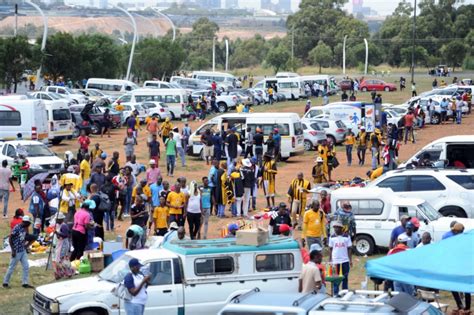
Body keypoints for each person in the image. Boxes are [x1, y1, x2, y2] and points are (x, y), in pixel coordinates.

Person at [3, 215, 34, 288]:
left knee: (26, 266)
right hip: (16, 251)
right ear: (25, 222)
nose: (29, 224)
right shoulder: (17, 228)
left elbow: (25, 237)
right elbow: (10, 239)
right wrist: (13, 250)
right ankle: (5, 283)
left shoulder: (25, 228)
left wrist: (26, 245)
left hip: (22, 250)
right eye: (29, 223)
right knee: (12, 267)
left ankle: (25, 283)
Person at [328, 221, 352, 295]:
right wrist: (330, 260)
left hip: (345, 261)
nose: (335, 229)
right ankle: (336, 294)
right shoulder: (332, 237)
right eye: (334, 227)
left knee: (345, 278)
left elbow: (349, 248)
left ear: (341, 228)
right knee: (335, 278)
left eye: (337, 227)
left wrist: (350, 260)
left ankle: (344, 293)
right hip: (335, 261)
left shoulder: (347, 237)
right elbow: (330, 249)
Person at [52, 212, 74, 280]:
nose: (56, 220)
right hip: (59, 244)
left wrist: (57, 233)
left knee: (63, 258)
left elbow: (65, 235)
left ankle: (69, 272)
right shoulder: (58, 225)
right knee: (58, 259)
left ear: (60, 219)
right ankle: (59, 273)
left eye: (57, 219)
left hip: (64, 245)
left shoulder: (64, 226)